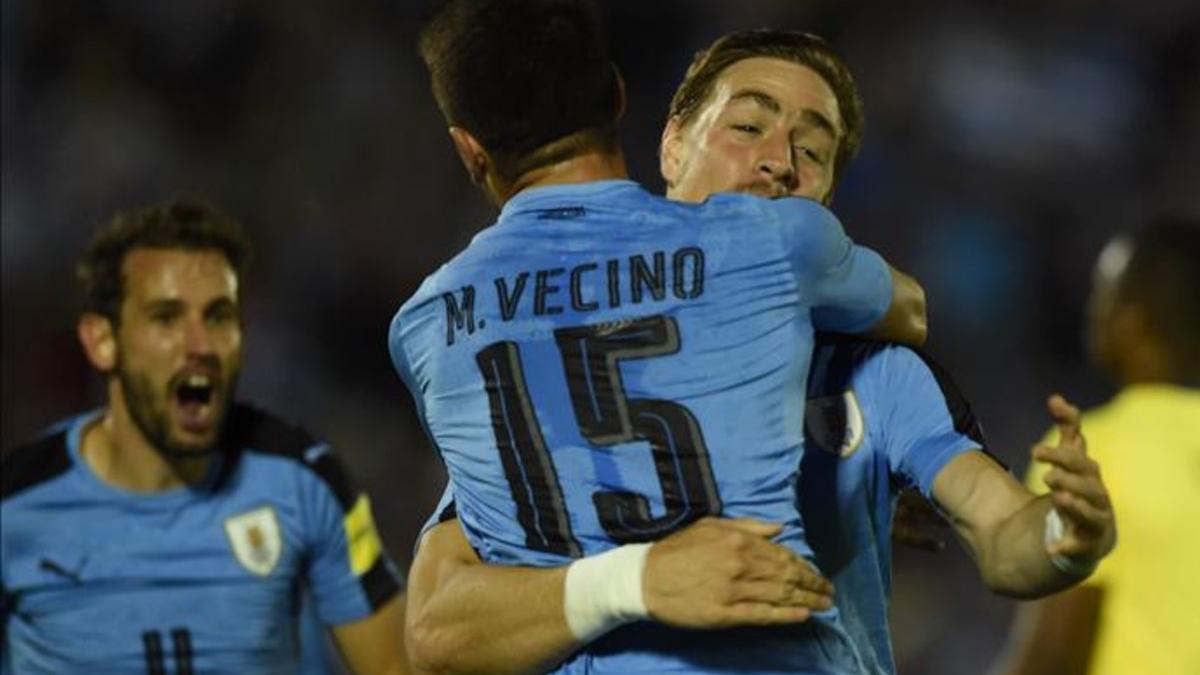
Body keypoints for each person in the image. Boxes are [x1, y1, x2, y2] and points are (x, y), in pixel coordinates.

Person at [404, 25, 1119, 675]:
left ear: (830, 196)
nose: (778, 162)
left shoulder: (873, 376)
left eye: (812, 151)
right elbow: (441, 623)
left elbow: (1005, 534)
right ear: (671, 144)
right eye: (747, 126)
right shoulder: (543, 379)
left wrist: (1066, 533)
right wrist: (640, 578)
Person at [1, 199, 409, 674]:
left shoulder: (306, 482)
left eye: (218, 316)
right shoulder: (16, 506)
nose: (201, 346)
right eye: (166, 317)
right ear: (101, 341)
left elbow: (397, 667)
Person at [993, 218, 1200, 675]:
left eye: (1103, 291)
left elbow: (1054, 655)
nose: (1092, 310)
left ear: (1135, 320)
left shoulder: (1092, 451)